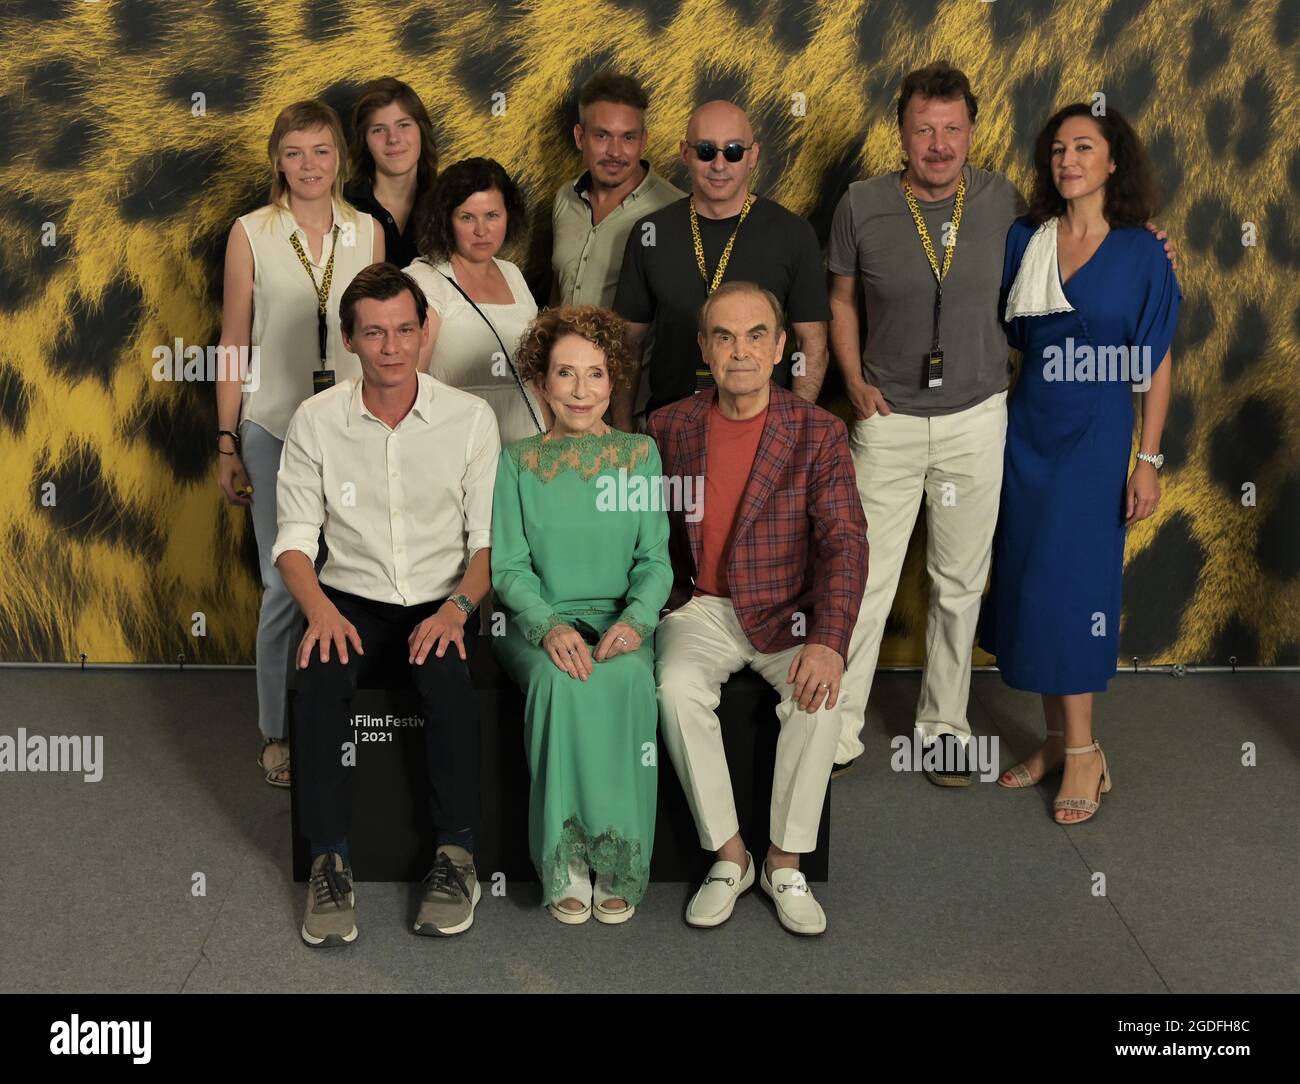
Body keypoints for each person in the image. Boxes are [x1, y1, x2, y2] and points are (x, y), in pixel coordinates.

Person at [827, 63, 1174, 784]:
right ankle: (834, 728)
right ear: (902, 131)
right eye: (924, 128)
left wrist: (1151, 248)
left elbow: (1126, 303)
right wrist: (854, 381)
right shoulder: (864, 205)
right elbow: (841, 298)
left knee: (960, 582)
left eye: (953, 128)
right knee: (862, 576)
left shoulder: (1003, 205)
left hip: (983, 421)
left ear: (973, 133)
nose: (939, 143)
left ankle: (944, 730)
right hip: (894, 420)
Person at [275, 263, 500, 945]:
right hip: (350, 598)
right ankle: (328, 859)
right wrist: (318, 609)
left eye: (405, 329)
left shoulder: (469, 418)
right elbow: (292, 543)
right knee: (316, 677)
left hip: (445, 596)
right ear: (350, 339)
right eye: (375, 333)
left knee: (449, 679)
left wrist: (458, 609)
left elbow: (487, 545)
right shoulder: (315, 421)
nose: (393, 347)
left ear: (424, 332)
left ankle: (455, 854)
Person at [980, 104, 1177, 824]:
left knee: (1074, 590)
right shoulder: (1024, 239)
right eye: (1057, 149)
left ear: (1113, 160)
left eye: (1084, 147)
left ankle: (1088, 755)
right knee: (1032, 585)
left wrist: (1148, 458)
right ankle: (1060, 741)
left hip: (1096, 440)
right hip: (1026, 427)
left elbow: (1154, 366)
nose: (1068, 160)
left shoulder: (1143, 253)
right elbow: (1006, 330)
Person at [650, 282, 867, 936]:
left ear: (779, 348)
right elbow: (640, 535)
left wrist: (829, 639)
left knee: (822, 697)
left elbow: (845, 542)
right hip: (700, 607)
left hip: (787, 612)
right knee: (674, 687)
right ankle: (730, 855)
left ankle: (785, 860)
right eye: (723, 336)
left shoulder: (818, 433)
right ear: (704, 348)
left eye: (754, 336)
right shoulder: (668, 426)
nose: (738, 351)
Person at [215, 99, 383, 788]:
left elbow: (382, 334)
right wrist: (227, 442)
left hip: (352, 429)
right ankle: (276, 731)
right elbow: (232, 341)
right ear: (276, 161)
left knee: (353, 572)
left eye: (320, 151)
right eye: (294, 152)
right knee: (284, 584)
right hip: (273, 428)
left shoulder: (366, 231)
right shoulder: (251, 232)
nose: (308, 165)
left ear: (340, 157)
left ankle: (342, 712)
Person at [491, 305, 671, 924]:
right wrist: (548, 626)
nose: (581, 390)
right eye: (565, 375)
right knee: (558, 683)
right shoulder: (516, 462)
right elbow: (509, 568)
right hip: (537, 621)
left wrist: (638, 620)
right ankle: (565, 861)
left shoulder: (639, 455)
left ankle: (617, 858)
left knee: (625, 682)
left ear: (613, 380)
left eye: (595, 374)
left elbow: (656, 560)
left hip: (621, 620)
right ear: (541, 383)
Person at [612, 101, 830, 430]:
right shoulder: (650, 233)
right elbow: (627, 343)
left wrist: (793, 428)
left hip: (765, 429)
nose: (719, 164)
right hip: (671, 428)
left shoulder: (793, 233)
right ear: (684, 153)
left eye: (732, 151)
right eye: (705, 150)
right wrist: (622, 432)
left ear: (753, 155)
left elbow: (812, 343)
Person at [405, 157, 546, 444]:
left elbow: (537, 371)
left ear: (509, 215)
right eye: (467, 217)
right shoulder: (424, 280)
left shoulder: (513, 274)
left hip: (527, 439)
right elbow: (408, 382)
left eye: (492, 215)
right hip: (456, 440)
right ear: (446, 220)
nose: (482, 230)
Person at [550, 71, 683, 308]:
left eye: (628, 138)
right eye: (602, 136)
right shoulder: (565, 197)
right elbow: (559, 288)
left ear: (643, 141)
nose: (615, 152)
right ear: (580, 137)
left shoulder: (674, 210)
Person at [345, 77, 439, 270]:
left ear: (422, 130)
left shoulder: (448, 203)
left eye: (403, 125)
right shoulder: (342, 204)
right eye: (379, 129)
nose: (393, 138)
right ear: (365, 141)